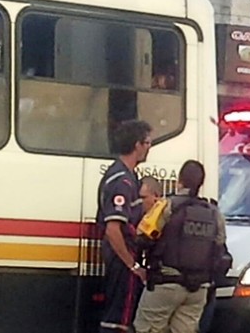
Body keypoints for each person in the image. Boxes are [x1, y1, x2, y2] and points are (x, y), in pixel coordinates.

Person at [133, 160, 229, 333]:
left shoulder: (167, 205)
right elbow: (220, 247)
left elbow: (142, 236)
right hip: (197, 290)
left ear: (180, 181)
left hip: (166, 283)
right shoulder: (215, 213)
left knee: (147, 328)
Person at [96, 120, 152, 333]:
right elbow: (113, 229)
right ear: (137, 145)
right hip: (122, 260)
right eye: (147, 143)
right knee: (118, 320)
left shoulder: (129, 177)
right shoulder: (122, 182)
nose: (149, 148)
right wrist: (133, 266)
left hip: (124, 258)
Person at [130, 176, 163, 322]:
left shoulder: (164, 220)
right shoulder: (137, 220)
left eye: (143, 198)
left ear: (156, 197)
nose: (140, 202)